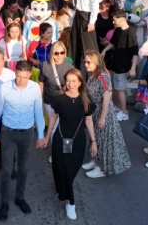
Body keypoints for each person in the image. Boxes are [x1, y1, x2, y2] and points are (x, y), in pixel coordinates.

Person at [0, 60, 46, 222]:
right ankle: (4, 203)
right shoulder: (5, 88)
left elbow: (38, 111)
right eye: (18, 76)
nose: (21, 81)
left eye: (24, 77)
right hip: (8, 132)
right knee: (7, 170)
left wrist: (40, 135)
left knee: (24, 168)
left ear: (29, 75)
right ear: (15, 73)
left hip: (27, 133)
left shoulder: (35, 88)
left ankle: (19, 197)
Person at [43, 68, 97, 220]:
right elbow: (53, 118)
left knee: (71, 171)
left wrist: (94, 142)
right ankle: (71, 202)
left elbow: (88, 121)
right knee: (61, 170)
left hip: (78, 141)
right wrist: (47, 137)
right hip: (60, 140)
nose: (71, 84)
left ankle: (66, 193)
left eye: (74, 81)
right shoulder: (59, 99)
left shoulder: (85, 99)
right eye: (68, 81)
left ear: (80, 82)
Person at [81, 50, 130, 177]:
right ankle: (95, 160)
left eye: (88, 62)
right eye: (84, 61)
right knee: (95, 138)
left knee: (103, 141)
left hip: (104, 113)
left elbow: (107, 98)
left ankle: (102, 168)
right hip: (95, 111)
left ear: (96, 63)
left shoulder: (102, 76)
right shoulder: (92, 75)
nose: (85, 64)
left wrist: (102, 118)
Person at [101, 9, 138, 121]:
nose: (113, 22)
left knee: (120, 89)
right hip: (114, 64)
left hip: (123, 66)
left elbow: (135, 53)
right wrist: (104, 51)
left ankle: (124, 112)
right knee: (116, 89)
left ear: (122, 19)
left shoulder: (130, 33)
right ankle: (118, 108)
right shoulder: (117, 30)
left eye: (115, 20)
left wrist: (132, 68)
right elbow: (112, 43)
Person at [68, 0, 99, 70]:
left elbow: (95, 4)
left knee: (89, 49)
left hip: (86, 18)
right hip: (78, 16)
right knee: (75, 46)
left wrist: (92, 22)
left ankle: (94, 74)